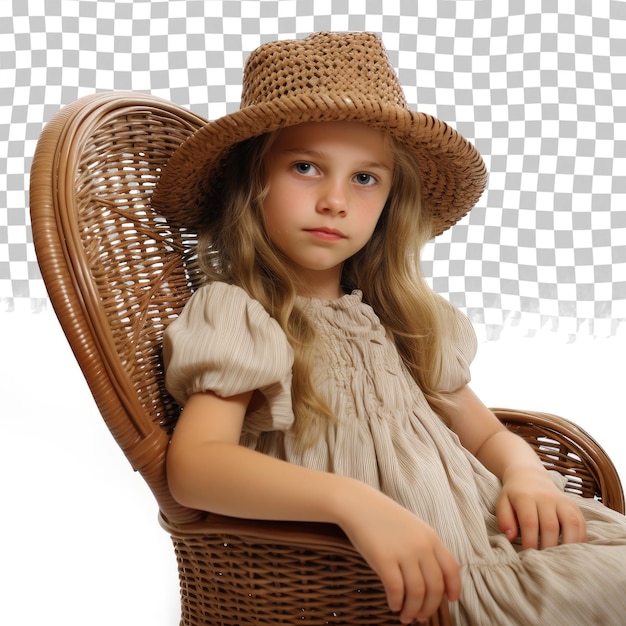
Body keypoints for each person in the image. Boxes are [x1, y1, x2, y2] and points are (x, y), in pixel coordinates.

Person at [152, 31, 626, 625]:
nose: (334, 200)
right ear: (254, 184)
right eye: (306, 167)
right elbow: (196, 467)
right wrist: (353, 502)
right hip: (414, 581)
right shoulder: (243, 315)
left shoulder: (400, 322)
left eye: (364, 178)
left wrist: (527, 472)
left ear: (388, 202)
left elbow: (484, 436)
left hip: (493, 542)